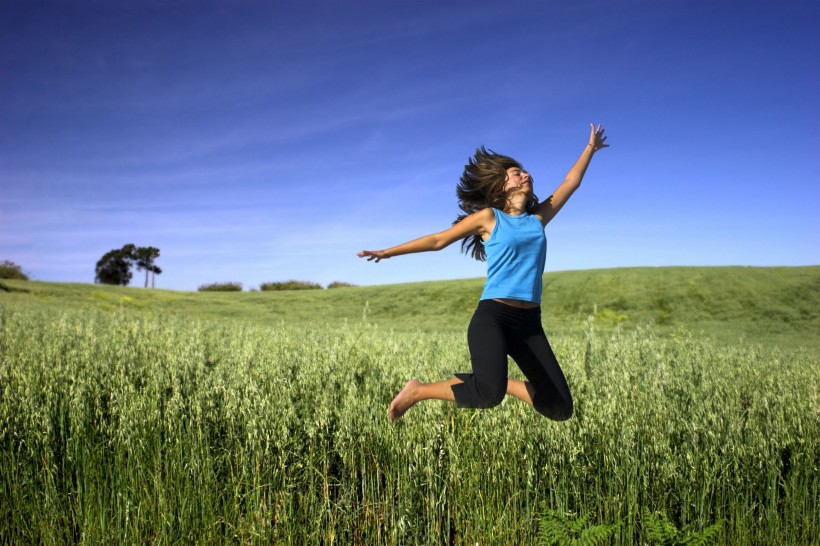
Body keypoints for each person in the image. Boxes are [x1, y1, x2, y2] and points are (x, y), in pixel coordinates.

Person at [358, 124, 609, 421]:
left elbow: (571, 181)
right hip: (494, 317)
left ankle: (501, 382)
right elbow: (439, 240)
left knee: (560, 407)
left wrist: (590, 149)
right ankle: (417, 390)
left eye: (525, 172)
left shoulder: (538, 218)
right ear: (502, 186)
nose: (525, 174)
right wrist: (387, 252)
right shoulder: (490, 218)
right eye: (517, 173)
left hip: (530, 324)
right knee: (488, 395)